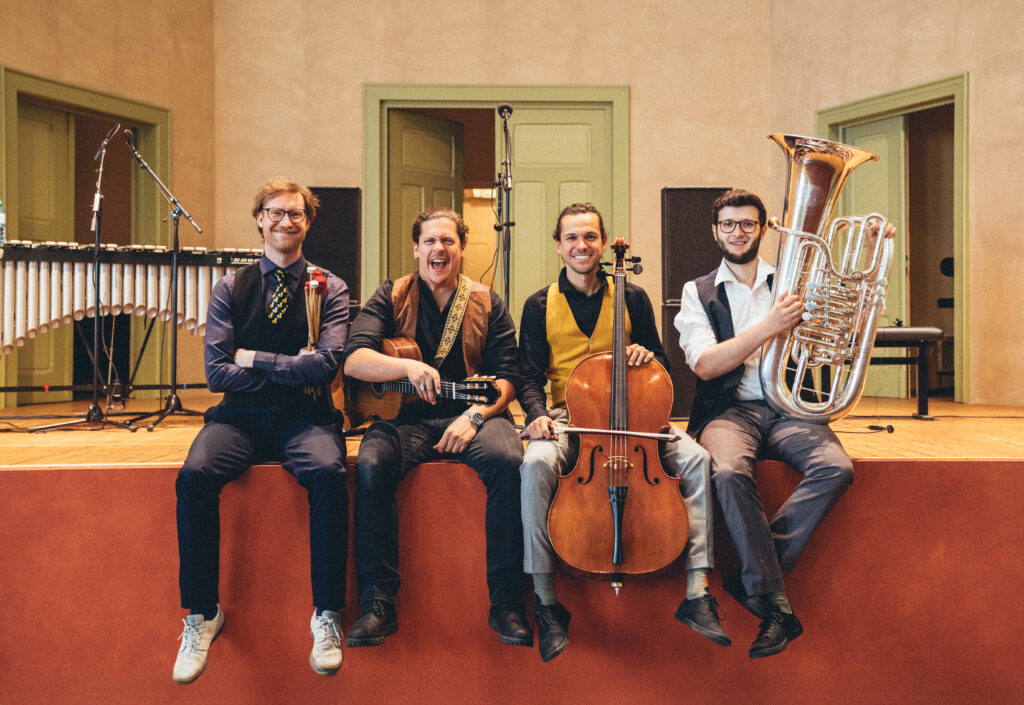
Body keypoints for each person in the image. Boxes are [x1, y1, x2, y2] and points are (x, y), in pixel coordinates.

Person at [674, 188, 882, 659]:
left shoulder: (795, 283)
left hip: (790, 408)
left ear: (763, 229)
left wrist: (870, 254)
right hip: (729, 413)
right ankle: (776, 603)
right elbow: (705, 365)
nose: (738, 232)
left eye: (748, 224)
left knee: (836, 469)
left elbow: (844, 330)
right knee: (728, 471)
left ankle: (757, 573)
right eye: (729, 224)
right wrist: (769, 327)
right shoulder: (697, 291)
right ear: (715, 231)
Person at [518, 203, 727, 663]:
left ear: (601, 243)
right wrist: (536, 414)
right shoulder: (538, 305)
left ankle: (697, 591)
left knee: (697, 459)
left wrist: (646, 356)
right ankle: (547, 601)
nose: (582, 246)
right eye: (572, 238)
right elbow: (528, 376)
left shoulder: (632, 297)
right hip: (568, 416)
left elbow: (663, 364)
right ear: (559, 246)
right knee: (533, 464)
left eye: (590, 237)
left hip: (636, 416)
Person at [172, 177, 350, 683]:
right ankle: (202, 614)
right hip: (241, 417)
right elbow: (217, 373)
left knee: (329, 474)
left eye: (295, 213)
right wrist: (290, 366)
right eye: (275, 212)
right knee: (194, 476)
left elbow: (326, 367)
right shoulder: (230, 287)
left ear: (308, 222)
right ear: (259, 219)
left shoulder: (330, 287)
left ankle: (326, 614)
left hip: (307, 417)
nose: (285, 221)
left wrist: (252, 358)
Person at [342, 207, 530, 649]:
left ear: (462, 249)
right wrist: (406, 366)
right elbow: (354, 359)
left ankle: (507, 604)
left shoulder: (487, 302)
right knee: (371, 462)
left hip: (473, 416)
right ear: (416, 248)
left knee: (508, 459)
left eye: (448, 241)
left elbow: (508, 378)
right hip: (405, 419)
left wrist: (475, 417)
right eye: (429, 241)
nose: (438, 248)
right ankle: (378, 603)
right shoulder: (391, 294)